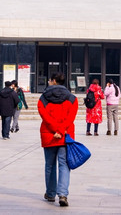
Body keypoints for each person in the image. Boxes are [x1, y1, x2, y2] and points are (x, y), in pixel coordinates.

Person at [38, 73, 78, 207]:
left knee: (49, 165)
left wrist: (55, 130)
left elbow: (44, 115)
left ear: (54, 81)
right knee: (64, 165)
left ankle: (50, 194)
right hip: (65, 135)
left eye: (50, 80)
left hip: (49, 135)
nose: (49, 81)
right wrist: (60, 131)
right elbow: (70, 117)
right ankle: (62, 195)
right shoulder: (72, 98)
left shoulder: (43, 98)